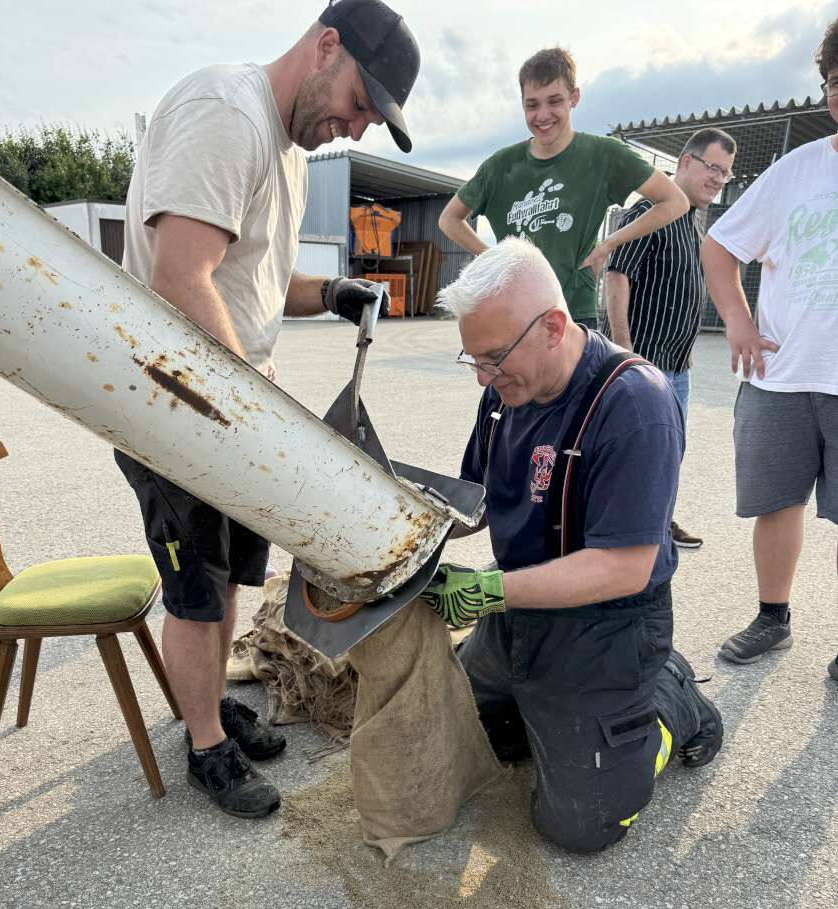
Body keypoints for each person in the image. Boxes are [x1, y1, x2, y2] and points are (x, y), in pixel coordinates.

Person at [115, 0, 421, 817]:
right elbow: (181, 275)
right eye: (360, 104)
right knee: (197, 588)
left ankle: (211, 706)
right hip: (175, 407)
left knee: (228, 580)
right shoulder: (227, 112)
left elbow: (249, 276)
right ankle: (205, 746)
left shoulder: (285, 149)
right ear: (327, 47)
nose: (356, 129)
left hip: (232, 410)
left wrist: (331, 289)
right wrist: (257, 420)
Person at [421, 239, 723, 853]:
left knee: (579, 826)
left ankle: (669, 699)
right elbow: (476, 498)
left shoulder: (634, 403)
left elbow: (624, 567)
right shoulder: (505, 393)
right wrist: (411, 534)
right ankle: (563, 708)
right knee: (466, 739)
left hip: (606, 623)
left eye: (494, 358)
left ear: (554, 326)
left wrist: (486, 590)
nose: (482, 376)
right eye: (472, 359)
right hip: (520, 609)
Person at [701, 18, 838, 677]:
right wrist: (738, 321)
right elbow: (720, 246)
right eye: (836, 82)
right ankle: (771, 618)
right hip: (781, 376)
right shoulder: (797, 171)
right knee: (777, 502)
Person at [437, 46, 688, 328]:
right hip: (515, 311)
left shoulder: (604, 155)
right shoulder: (500, 166)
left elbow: (675, 201)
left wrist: (609, 244)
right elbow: (449, 219)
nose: (543, 114)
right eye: (532, 104)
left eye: (554, 101)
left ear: (574, 98)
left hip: (574, 312)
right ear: (522, 105)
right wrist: (492, 258)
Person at [605, 127, 738, 549]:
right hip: (642, 363)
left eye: (726, 173)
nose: (719, 179)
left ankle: (656, 524)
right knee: (637, 453)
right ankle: (624, 534)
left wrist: (687, 350)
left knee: (667, 454)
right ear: (685, 162)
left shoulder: (691, 224)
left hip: (676, 365)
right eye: (713, 167)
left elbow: (678, 291)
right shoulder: (650, 209)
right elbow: (617, 274)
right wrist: (624, 347)